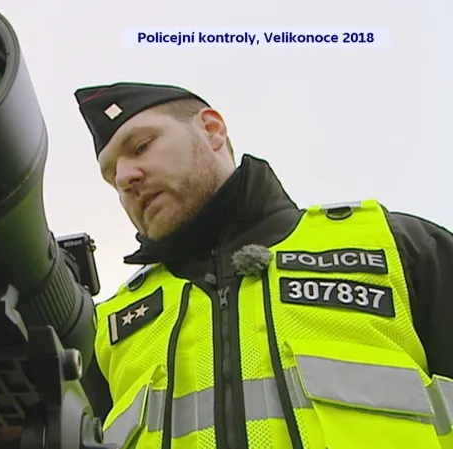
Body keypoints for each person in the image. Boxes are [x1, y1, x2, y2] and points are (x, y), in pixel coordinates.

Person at [70, 81, 453, 449]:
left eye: (140, 146)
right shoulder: (108, 328)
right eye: (110, 175)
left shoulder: (395, 246)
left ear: (212, 129)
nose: (124, 178)